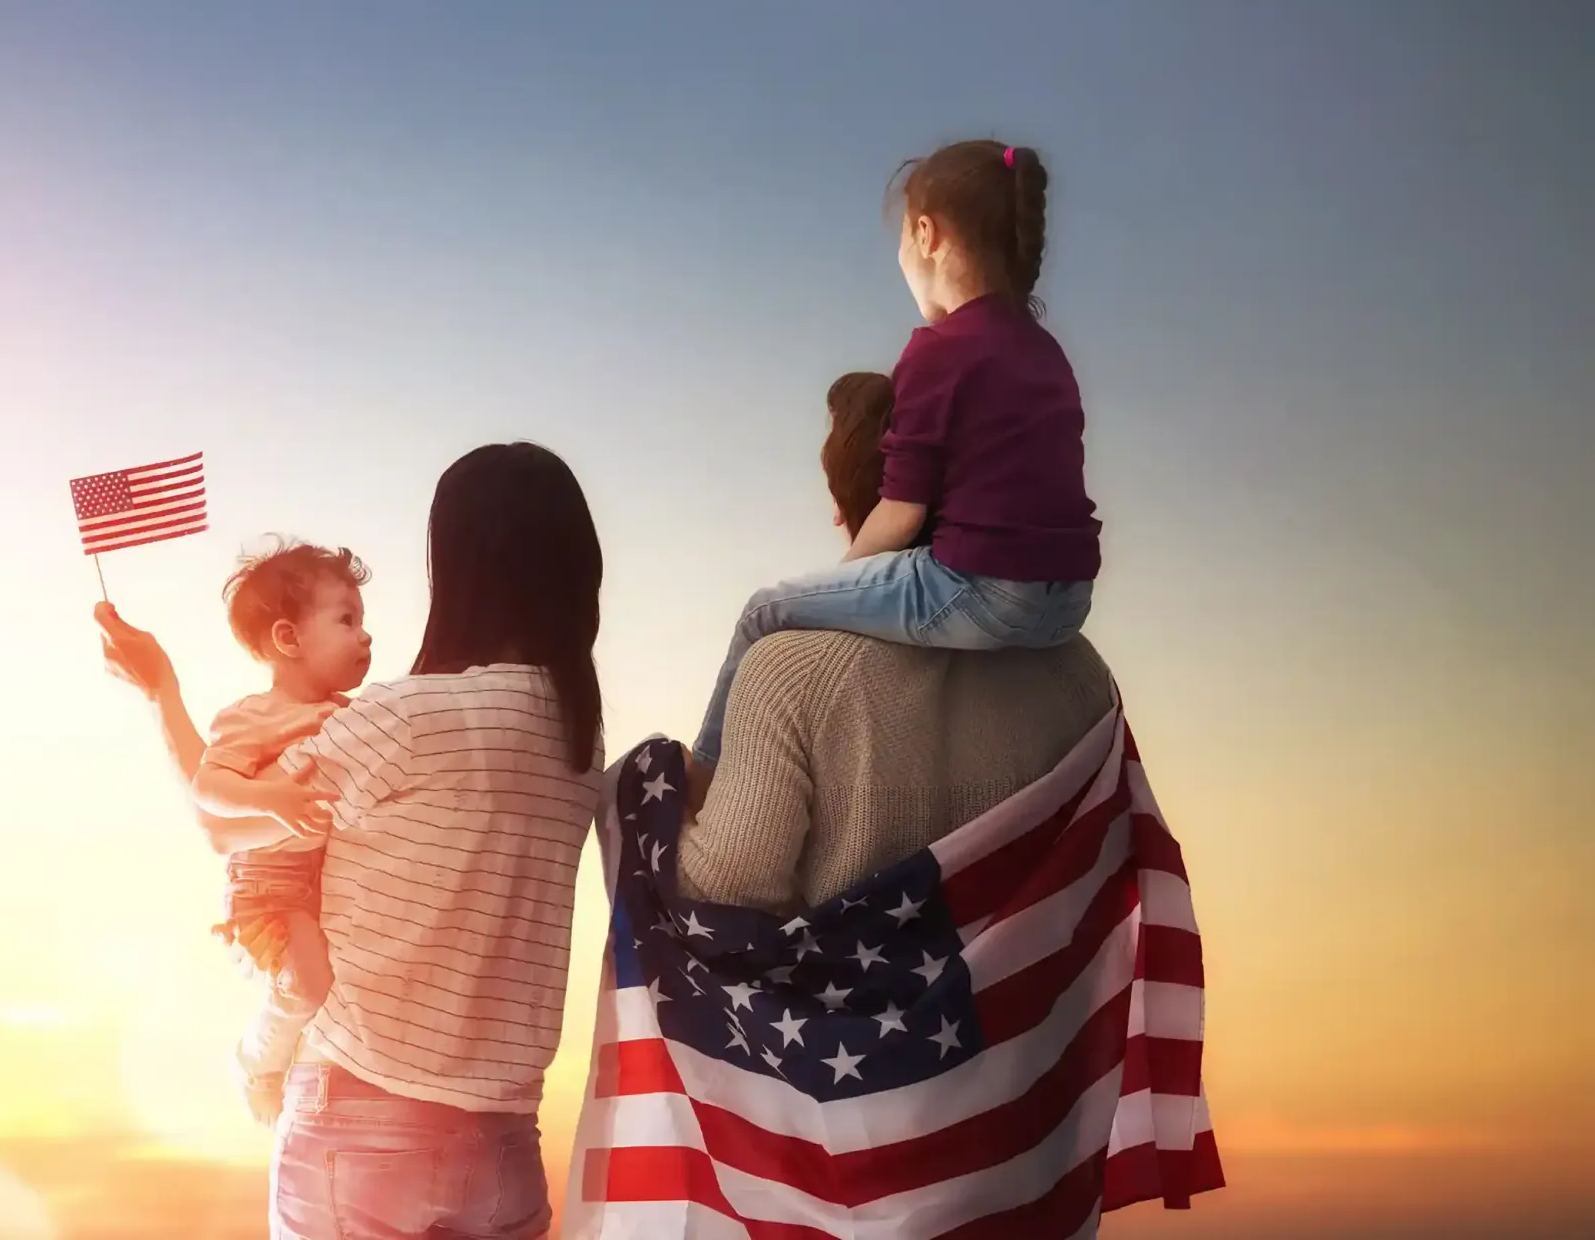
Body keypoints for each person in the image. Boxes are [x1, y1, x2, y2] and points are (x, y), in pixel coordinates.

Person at [97, 442, 604, 1240]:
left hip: (364, 1128)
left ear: (459, 569)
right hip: (506, 1142)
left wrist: (160, 689)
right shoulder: (578, 743)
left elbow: (225, 822)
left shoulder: (402, 718)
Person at [690, 140, 1103, 772]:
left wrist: (840, 580)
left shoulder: (936, 349)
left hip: (984, 592)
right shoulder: (1047, 352)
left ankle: (699, 786)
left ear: (925, 233)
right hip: (1068, 605)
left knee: (763, 612)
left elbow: (903, 513)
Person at [675, 369, 1114, 913]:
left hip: (856, 999)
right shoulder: (1081, 671)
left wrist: (648, 810)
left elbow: (727, 890)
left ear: (841, 505)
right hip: (1032, 1000)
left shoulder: (783, 672)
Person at [190, 538, 373, 1126]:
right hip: (266, 886)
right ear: (289, 640)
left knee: (331, 991)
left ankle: (295, 1069)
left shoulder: (351, 714)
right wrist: (272, 800)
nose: (365, 636)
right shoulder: (254, 715)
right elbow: (208, 785)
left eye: (363, 621)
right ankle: (256, 1062)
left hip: (317, 884)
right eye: (346, 620)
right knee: (308, 987)